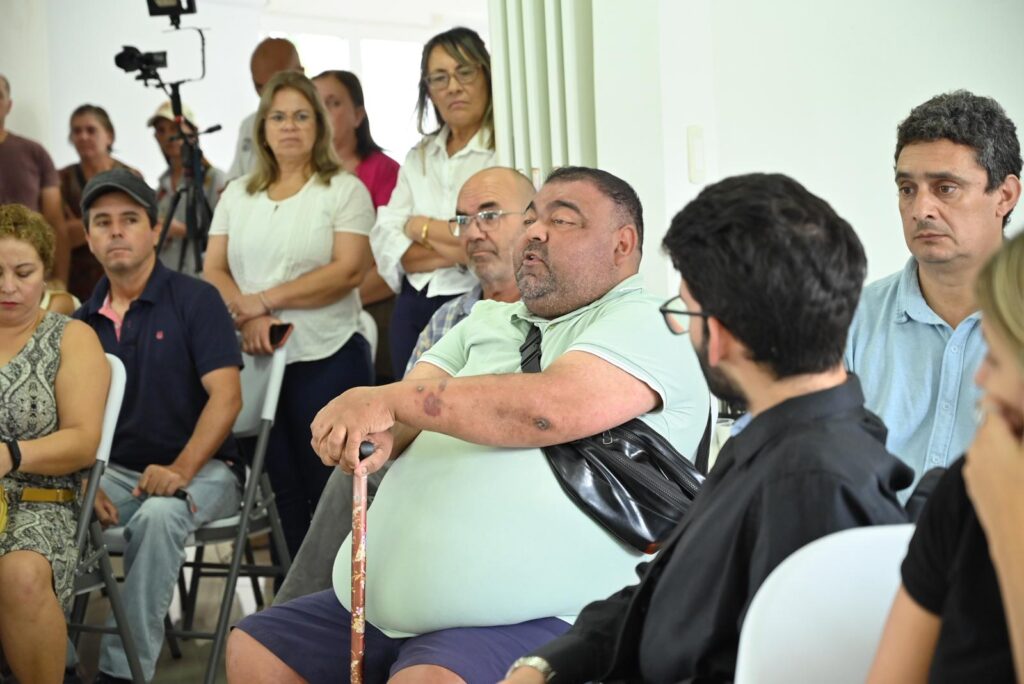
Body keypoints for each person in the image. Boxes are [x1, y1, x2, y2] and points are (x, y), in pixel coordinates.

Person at [226, 166, 711, 683]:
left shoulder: (653, 319)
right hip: (390, 606)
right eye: (531, 219)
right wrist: (363, 432)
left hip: (547, 613)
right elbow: (402, 414)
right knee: (256, 649)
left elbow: (548, 407)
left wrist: (384, 399)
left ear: (623, 244)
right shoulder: (484, 320)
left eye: (561, 220)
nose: (536, 232)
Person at [500, 173, 914, 684]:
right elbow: (665, 588)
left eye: (685, 312)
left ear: (717, 335)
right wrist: (548, 664)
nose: (685, 329)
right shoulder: (779, 441)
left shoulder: (810, 482)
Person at [273, 165, 534, 605]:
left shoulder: (551, 314)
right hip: (426, 463)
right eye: (462, 220)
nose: (472, 232)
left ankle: (305, 618)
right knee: (358, 462)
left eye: (489, 215)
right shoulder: (447, 318)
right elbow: (403, 414)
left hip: (502, 468)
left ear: (532, 222)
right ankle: (312, 620)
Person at [73, 169, 244, 684]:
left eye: (130, 219)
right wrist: (85, 480)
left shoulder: (196, 299)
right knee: (55, 511)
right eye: (103, 222)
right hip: (118, 474)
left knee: (159, 517)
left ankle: (122, 676)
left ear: (153, 230)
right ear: (88, 238)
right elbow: (76, 420)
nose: (116, 232)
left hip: (208, 469)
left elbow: (227, 398)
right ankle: (50, 663)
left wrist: (181, 468)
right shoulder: (82, 323)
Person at [204, 71, 375, 560]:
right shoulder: (238, 194)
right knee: (280, 493)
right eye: (278, 117)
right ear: (262, 128)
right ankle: (292, 607)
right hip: (257, 357)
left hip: (328, 353)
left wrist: (264, 301)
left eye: (302, 116)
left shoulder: (342, 190)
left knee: (333, 491)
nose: (289, 126)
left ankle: (342, 606)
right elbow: (212, 268)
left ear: (319, 126)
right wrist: (249, 317)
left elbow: (347, 270)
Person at [868, 231, 1024, 683]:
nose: (982, 377)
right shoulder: (966, 491)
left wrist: (1010, 527)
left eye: (996, 355)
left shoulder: (992, 491)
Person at [845, 90, 1021, 489]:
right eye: (908, 189)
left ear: (1005, 196)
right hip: (865, 547)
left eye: (945, 188)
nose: (920, 209)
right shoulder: (850, 321)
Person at [0, 204, 108, 684]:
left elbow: (84, 441)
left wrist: (13, 455)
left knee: (20, 573)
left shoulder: (71, 337)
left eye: (23, 272)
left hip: (44, 503)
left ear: (46, 273)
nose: (8, 286)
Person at [370, 26, 497, 377]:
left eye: (464, 72)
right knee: (409, 422)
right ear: (428, 89)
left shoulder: (504, 152)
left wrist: (418, 226)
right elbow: (386, 237)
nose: (453, 87)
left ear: (486, 75)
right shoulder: (419, 156)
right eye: (439, 77)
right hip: (411, 307)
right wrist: (458, 248)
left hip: (478, 301)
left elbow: (498, 237)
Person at [312, 69, 400, 383]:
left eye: (332, 103)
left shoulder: (385, 171)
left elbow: (391, 261)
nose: (321, 113)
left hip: (373, 309)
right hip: (311, 316)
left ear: (358, 115)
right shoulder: (301, 180)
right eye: (315, 104)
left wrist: (330, 302)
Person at [59, 104, 142, 301]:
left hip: (125, 279)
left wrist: (81, 224)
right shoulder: (62, 179)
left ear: (109, 136)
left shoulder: (130, 176)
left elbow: (138, 233)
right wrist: (110, 221)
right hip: (77, 284)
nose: (83, 137)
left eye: (91, 130)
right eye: (77, 131)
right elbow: (62, 237)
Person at [0, 74, 69, 285]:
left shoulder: (34, 152)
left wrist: (59, 280)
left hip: (27, 275)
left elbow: (55, 222)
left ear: (8, 105)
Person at [148, 100, 228, 276]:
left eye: (175, 128)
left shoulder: (213, 178)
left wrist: (182, 230)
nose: (169, 136)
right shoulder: (160, 188)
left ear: (193, 131)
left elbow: (229, 233)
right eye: (161, 130)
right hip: (166, 278)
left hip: (202, 278)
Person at [227, 38, 303, 181]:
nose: (265, 94)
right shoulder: (249, 125)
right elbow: (235, 178)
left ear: (299, 74)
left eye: (274, 85)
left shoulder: (321, 122)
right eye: (259, 86)